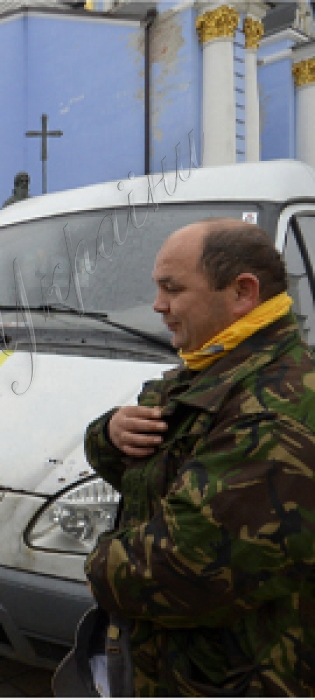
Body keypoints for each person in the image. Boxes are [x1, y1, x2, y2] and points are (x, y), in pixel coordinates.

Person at [83, 218, 315, 696]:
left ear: (242, 293)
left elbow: (182, 568)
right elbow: (142, 470)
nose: (158, 305)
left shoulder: (276, 408)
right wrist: (109, 433)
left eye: (172, 288)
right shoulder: (212, 366)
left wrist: (96, 563)